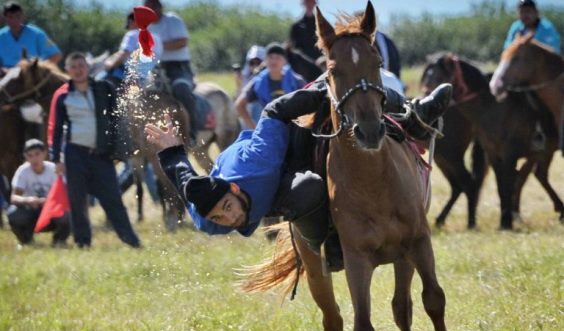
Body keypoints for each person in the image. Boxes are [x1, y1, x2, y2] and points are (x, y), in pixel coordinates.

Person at [146, 79, 453, 260]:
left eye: (227, 208)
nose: (229, 220)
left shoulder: (259, 159)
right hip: (270, 189)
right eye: (219, 218)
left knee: (343, 86)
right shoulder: (208, 221)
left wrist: (326, 93)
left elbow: (274, 111)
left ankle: (416, 114)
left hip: (281, 153)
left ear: (235, 190)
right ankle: (327, 247)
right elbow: (185, 179)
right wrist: (171, 150)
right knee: (308, 189)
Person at [48, 52, 141, 248]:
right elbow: (56, 130)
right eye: (73, 67)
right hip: (74, 154)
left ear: (88, 67)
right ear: (67, 70)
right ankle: (83, 242)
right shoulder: (63, 96)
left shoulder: (104, 88)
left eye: (81, 66)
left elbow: (117, 120)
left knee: (113, 198)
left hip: (101, 154)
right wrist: (56, 158)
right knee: (77, 200)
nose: (78, 70)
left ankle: (131, 240)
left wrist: (120, 150)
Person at [143, 0, 199, 139]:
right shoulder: (146, 27)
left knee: (181, 90)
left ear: (159, 7)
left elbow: (182, 42)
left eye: (152, 7)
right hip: (155, 68)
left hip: (178, 67)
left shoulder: (173, 20)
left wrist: (157, 46)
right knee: (141, 95)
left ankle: (192, 132)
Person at [7, 139, 70, 246]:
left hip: (52, 210)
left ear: (44, 153)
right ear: (25, 157)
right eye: (30, 155)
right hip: (31, 209)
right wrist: (28, 200)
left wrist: (49, 202)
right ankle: (25, 241)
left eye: (37, 154)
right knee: (13, 214)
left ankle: (59, 241)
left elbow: (65, 194)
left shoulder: (54, 169)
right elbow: (14, 197)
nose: (34, 159)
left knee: (67, 213)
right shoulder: (23, 171)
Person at [235, 42, 306, 130]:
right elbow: (239, 105)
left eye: (278, 57)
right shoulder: (258, 83)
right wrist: (254, 128)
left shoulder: (297, 81)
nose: (273, 61)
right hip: (269, 130)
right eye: (270, 57)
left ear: (285, 61)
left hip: (293, 129)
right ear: (265, 61)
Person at [101, 12, 163, 85]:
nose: (129, 28)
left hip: (129, 76)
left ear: (133, 22)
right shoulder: (157, 38)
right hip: (149, 77)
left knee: (99, 78)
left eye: (129, 24)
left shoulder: (132, 34)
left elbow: (123, 55)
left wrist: (109, 65)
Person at [0, 1, 62, 69]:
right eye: (10, 17)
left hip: (32, 72)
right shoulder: (1, 36)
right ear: (4, 18)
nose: (14, 20)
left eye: (18, 16)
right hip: (7, 72)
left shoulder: (37, 34)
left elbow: (56, 55)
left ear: (23, 16)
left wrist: (40, 69)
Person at [288, 0, 323, 81]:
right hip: (302, 67)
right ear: (303, 4)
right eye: (307, 2)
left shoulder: (321, 25)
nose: (309, 4)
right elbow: (292, 47)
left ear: (315, 3)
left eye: (311, 2)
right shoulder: (296, 26)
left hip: (319, 65)